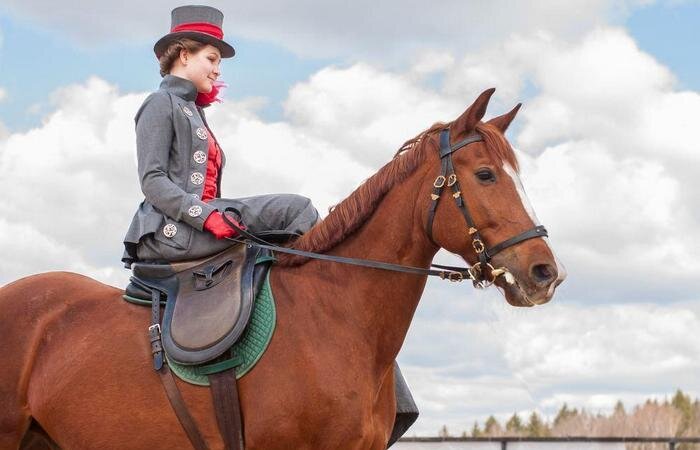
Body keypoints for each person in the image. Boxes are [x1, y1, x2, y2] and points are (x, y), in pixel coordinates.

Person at [122, 5, 319, 267]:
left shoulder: (195, 110)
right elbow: (152, 180)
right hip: (171, 231)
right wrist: (206, 217)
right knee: (295, 209)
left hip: (197, 224)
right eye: (212, 59)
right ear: (184, 55)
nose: (217, 71)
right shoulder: (159, 102)